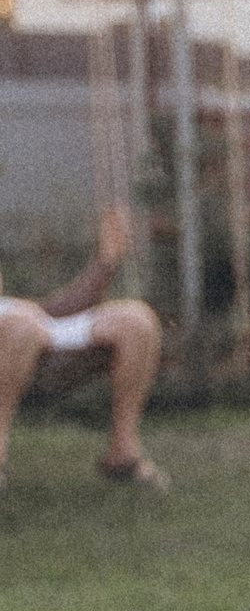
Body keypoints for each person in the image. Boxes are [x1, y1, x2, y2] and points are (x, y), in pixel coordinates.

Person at [0, 205, 168, 490]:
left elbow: (56, 311)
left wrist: (106, 262)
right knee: (22, 326)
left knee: (136, 320)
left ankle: (122, 453)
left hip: (36, 335)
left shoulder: (15, 311)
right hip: (19, 336)